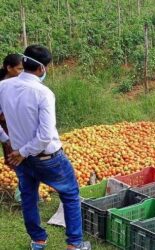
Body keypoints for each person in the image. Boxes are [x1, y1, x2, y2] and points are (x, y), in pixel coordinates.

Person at [0, 45, 91, 250]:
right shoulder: (43, 93)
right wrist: (21, 152)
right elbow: (45, 136)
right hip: (45, 158)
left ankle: (38, 240)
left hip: (20, 157)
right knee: (70, 195)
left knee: (28, 197)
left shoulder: (4, 87)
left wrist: (7, 140)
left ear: (23, 63)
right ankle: (75, 244)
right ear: (42, 69)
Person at [0, 53, 23, 166]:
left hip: (8, 120)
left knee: (11, 146)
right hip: (3, 119)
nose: (22, 72)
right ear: (9, 68)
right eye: (19, 69)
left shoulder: (19, 82)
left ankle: (15, 167)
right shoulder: (2, 85)